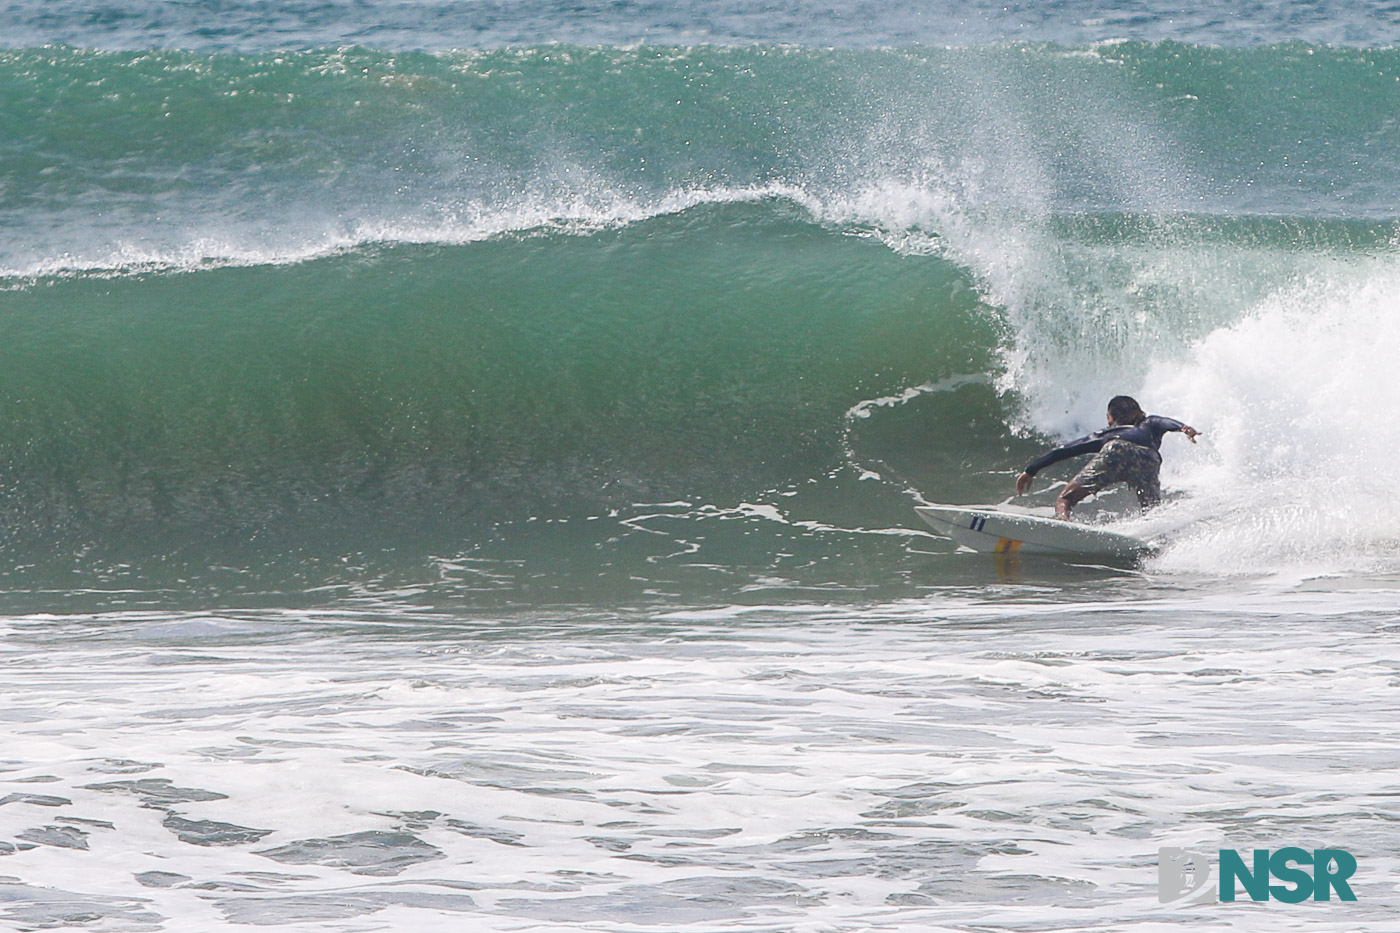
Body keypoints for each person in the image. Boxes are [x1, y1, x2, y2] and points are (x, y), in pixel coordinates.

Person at [1015, 395, 1200, 520]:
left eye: (1108, 417)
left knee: (1065, 499)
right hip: (1149, 460)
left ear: (1113, 417)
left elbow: (1065, 450)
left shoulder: (1109, 433)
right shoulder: (1150, 424)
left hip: (1116, 450)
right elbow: (1166, 422)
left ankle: (1063, 524)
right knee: (1151, 511)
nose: (1108, 422)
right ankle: (1157, 540)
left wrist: (1031, 470)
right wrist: (1184, 428)